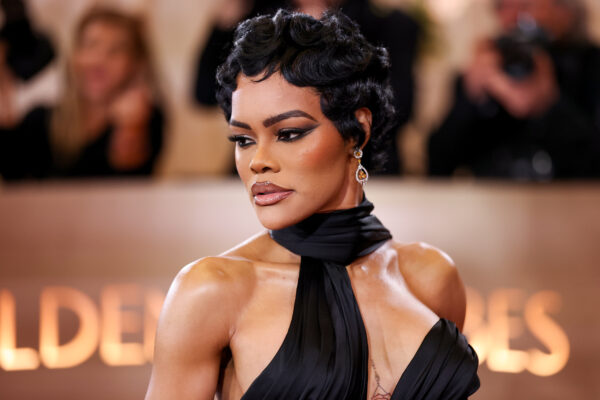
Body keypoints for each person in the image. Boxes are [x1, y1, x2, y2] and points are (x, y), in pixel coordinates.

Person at [146, 10, 479, 400]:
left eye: (288, 133)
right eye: (243, 140)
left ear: (357, 130)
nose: (257, 161)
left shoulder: (431, 277)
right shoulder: (212, 289)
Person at [193, 0, 419, 174]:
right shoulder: (254, 20)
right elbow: (203, 94)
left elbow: (400, 107)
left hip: (363, 172)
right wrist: (225, 25)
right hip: (262, 174)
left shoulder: (386, 24)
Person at [428, 0, 600, 180]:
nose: (514, 17)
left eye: (526, 5)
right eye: (503, 6)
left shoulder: (588, 66)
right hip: (493, 194)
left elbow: (593, 160)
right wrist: (470, 98)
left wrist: (550, 105)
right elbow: (438, 163)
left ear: (565, 12)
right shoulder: (486, 68)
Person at [0, 7, 164, 180]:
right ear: (74, 56)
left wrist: (131, 127)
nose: (99, 60)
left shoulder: (148, 120)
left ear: (134, 64)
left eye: (115, 51)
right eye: (90, 46)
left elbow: (128, 178)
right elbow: (14, 177)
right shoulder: (39, 120)